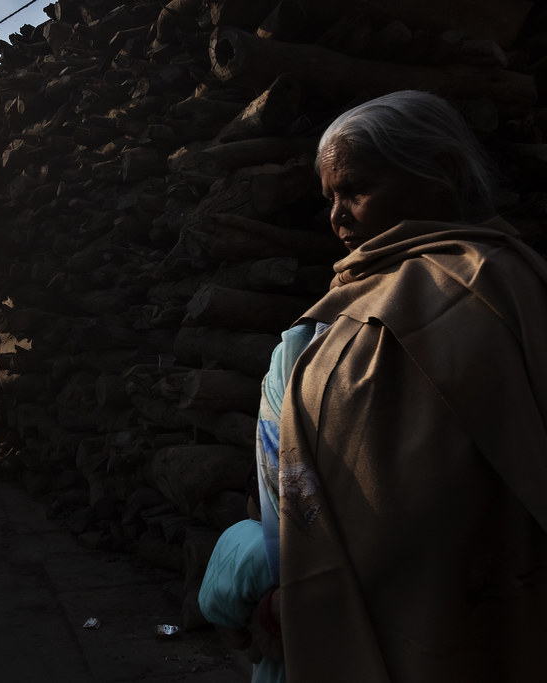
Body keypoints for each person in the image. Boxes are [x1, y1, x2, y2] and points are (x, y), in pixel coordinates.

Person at [200, 90, 547, 682]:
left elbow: (418, 503)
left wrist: (295, 602)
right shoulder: (364, 299)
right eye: (330, 198)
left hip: (420, 623)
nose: (338, 217)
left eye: (356, 189)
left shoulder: (483, 295)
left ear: (441, 172)